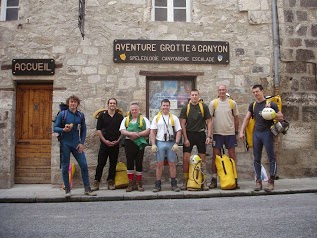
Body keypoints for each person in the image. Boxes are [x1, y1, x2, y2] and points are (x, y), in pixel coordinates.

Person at [239, 84, 283, 192]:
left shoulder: (270, 104)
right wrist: (241, 131)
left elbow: (281, 116)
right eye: (253, 92)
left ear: (262, 91)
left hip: (267, 132)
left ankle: (271, 182)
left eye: (257, 91)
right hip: (257, 133)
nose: (255, 94)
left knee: (271, 157)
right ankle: (258, 182)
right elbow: (247, 118)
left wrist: (272, 113)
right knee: (256, 158)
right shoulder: (253, 105)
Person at [53, 95, 96, 198]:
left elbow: (84, 129)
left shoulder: (80, 115)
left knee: (84, 165)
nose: (73, 104)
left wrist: (82, 143)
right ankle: (67, 190)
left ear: (77, 104)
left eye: (75, 102)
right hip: (65, 143)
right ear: (68, 103)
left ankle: (87, 189)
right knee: (65, 166)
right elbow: (55, 128)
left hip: (77, 144)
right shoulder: (62, 114)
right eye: (71, 102)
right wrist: (63, 129)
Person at [179, 89, 212, 190]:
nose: (194, 97)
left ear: (198, 96)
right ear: (190, 96)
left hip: (201, 134)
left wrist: (209, 136)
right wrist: (185, 138)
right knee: (185, 158)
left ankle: (204, 182)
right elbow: (182, 124)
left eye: (196, 95)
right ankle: (186, 181)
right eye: (192, 95)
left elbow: (209, 122)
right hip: (189, 134)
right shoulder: (186, 108)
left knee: (202, 159)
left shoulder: (204, 107)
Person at [208, 85, 240, 189]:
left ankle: (234, 179)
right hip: (217, 134)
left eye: (223, 90)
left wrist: (236, 131)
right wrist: (210, 134)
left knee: (232, 156)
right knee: (215, 157)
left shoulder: (232, 103)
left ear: (226, 91)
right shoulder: (214, 103)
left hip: (230, 133)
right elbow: (209, 120)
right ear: (218, 91)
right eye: (220, 90)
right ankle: (214, 179)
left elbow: (236, 118)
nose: (222, 91)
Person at [150, 99, 182, 192]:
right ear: (161, 106)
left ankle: (174, 184)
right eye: (163, 105)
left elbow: (178, 131)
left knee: (172, 163)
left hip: (171, 142)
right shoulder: (157, 117)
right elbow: (152, 131)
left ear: (169, 106)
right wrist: (153, 144)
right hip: (160, 142)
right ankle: (157, 185)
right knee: (159, 164)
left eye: (167, 105)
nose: (165, 107)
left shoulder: (174, 118)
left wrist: (176, 143)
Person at [91, 98, 124, 191]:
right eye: (110, 103)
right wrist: (105, 141)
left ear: (116, 105)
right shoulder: (102, 116)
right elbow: (98, 130)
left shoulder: (119, 117)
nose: (112, 105)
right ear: (108, 104)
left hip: (115, 144)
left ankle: (110, 181)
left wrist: (118, 140)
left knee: (113, 164)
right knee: (101, 163)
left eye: (114, 103)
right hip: (104, 144)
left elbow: (122, 130)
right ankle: (96, 181)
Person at [120, 101, 150, 192]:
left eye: (135, 110)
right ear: (130, 110)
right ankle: (130, 183)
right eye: (132, 110)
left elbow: (148, 130)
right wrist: (130, 133)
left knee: (139, 162)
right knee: (129, 162)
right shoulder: (126, 119)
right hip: (129, 143)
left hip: (139, 143)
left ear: (139, 110)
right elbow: (122, 130)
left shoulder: (144, 119)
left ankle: (138, 182)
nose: (134, 111)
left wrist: (137, 134)